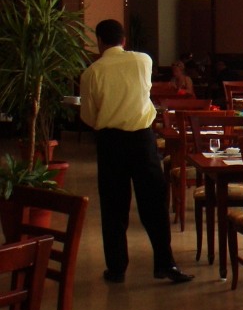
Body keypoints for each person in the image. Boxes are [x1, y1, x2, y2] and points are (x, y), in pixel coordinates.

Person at [79, 19, 194, 285]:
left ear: (99, 41)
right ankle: (165, 263)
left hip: (110, 141)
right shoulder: (143, 61)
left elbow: (88, 116)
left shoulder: (91, 73)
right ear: (124, 40)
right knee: (154, 201)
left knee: (113, 205)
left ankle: (116, 268)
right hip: (142, 139)